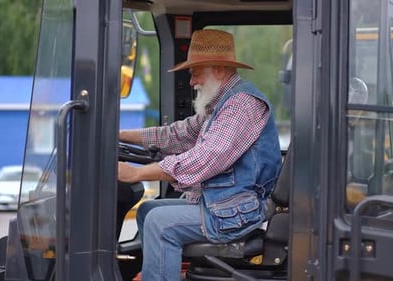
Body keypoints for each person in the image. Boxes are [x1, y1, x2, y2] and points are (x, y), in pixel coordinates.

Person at [118, 29, 282, 281]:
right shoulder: (221, 103)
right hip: (223, 203)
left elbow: (206, 158)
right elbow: (177, 134)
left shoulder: (241, 105)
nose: (192, 81)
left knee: (159, 224)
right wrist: (119, 134)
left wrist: (137, 173)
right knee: (147, 211)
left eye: (195, 73)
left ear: (218, 69)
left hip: (237, 210)